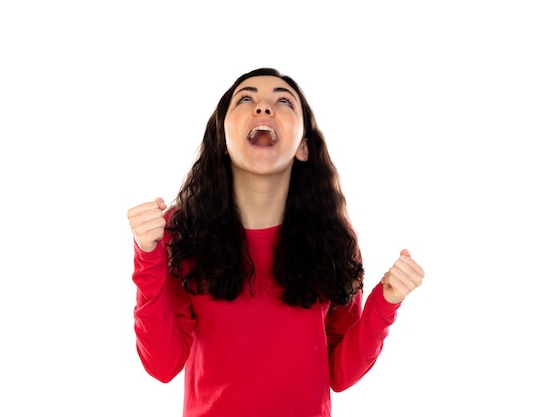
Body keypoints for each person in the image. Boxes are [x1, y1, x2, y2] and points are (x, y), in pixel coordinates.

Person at [127, 67, 425, 417]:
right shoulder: (182, 230)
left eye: (283, 100)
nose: (264, 107)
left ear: (303, 147)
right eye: (246, 98)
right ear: (223, 141)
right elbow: (162, 365)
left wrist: (385, 303)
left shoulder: (332, 235)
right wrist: (147, 255)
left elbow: (340, 374)